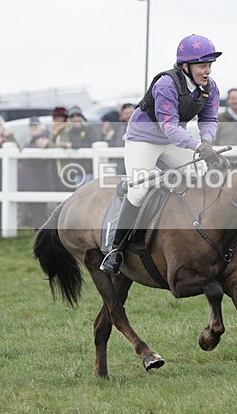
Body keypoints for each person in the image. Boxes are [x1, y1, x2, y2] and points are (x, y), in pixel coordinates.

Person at [100, 33, 224, 275]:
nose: (207, 70)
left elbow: (209, 119)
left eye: (210, 65)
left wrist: (207, 140)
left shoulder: (210, 87)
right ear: (185, 66)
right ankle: (115, 250)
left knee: (202, 177)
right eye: (202, 65)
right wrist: (199, 147)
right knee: (139, 190)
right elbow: (169, 127)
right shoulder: (166, 84)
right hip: (143, 139)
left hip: (173, 140)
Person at [18, 116, 52, 228]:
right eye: (31, 126)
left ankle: (40, 231)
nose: (33, 128)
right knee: (35, 211)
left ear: (40, 126)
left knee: (40, 210)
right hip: (30, 182)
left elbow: (36, 152)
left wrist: (24, 148)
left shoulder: (43, 137)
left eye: (35, 126)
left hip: (39, 181)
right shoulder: (30, 139)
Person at [64, 106, 101, 187]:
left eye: (78, 116)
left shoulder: (89, 129)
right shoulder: (69, 131)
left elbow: (93, 144)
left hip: (89, 168)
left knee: (88, 190)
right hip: (77, 169)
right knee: (79, 191)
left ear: (82, 117)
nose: (76, 119)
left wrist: (73, 145)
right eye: (73, 117)